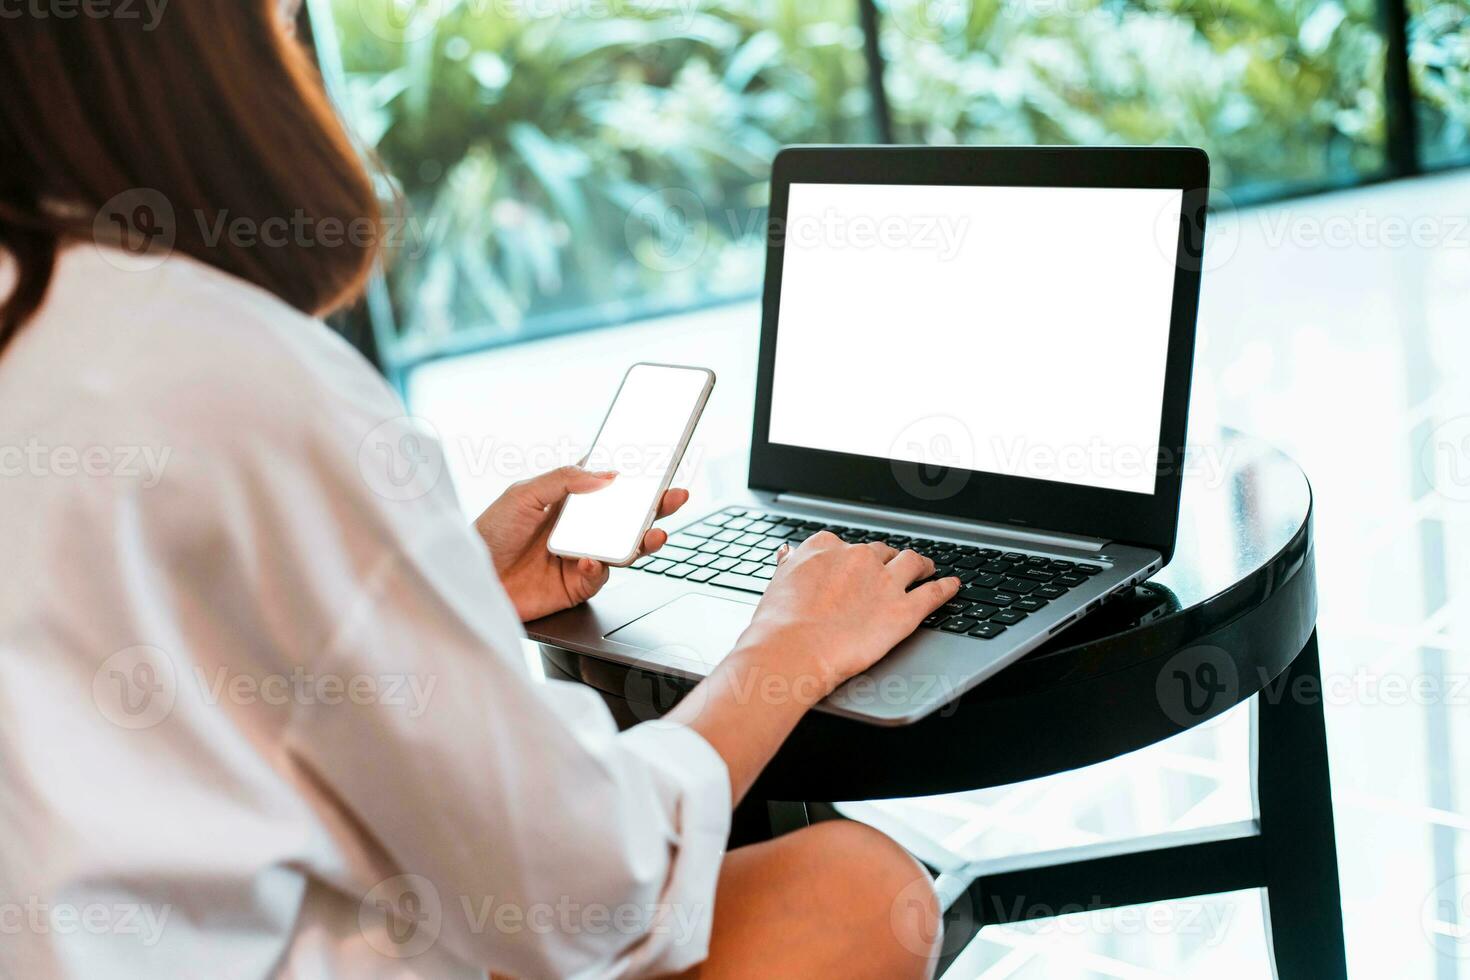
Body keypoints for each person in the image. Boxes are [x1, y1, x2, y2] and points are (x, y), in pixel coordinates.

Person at [0, 3, 960, 977]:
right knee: (858, 887)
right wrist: (784, 646)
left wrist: (446, 589)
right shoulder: (235, 370)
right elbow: (581, 887)